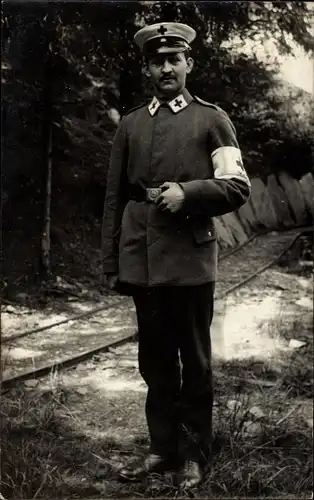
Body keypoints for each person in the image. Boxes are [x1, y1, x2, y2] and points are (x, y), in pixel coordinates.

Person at [102, 22, 251, 489]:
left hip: (189, 262)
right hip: (143, 262)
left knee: (195, 361)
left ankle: (194, 455)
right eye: (157, 61)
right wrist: (112, 262)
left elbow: (237, 186)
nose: (166, 68)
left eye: (174, 59)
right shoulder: (130, 123)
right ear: (147, 68)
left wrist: (189, 194)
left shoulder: (212, 119)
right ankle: (162, 449)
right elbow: (113, 198)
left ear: (189, 64)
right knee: (154, 360)